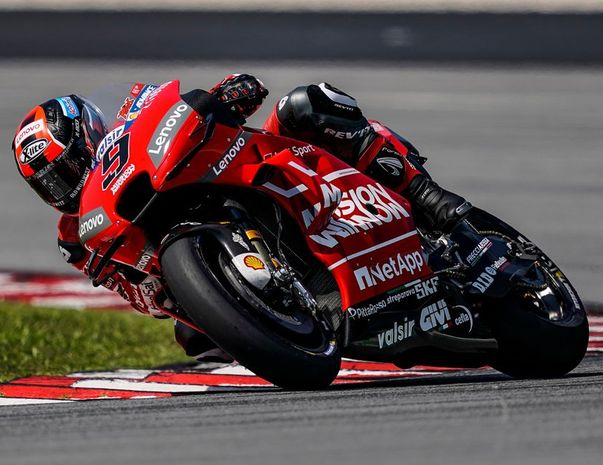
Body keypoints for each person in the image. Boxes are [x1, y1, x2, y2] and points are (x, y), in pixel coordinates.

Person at [10, 74, 469, 362]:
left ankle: (428, 197)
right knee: (191, 337)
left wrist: (226, 95)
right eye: (51, 183)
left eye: (69, 166)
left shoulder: (133, 115)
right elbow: (142, 298)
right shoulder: (79, 239)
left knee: (307, 104)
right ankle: (299, 308)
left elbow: (177, 114)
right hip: (208, 267)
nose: (66, 185)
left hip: (262, 173)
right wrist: (157, 285)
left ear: (91, 133)